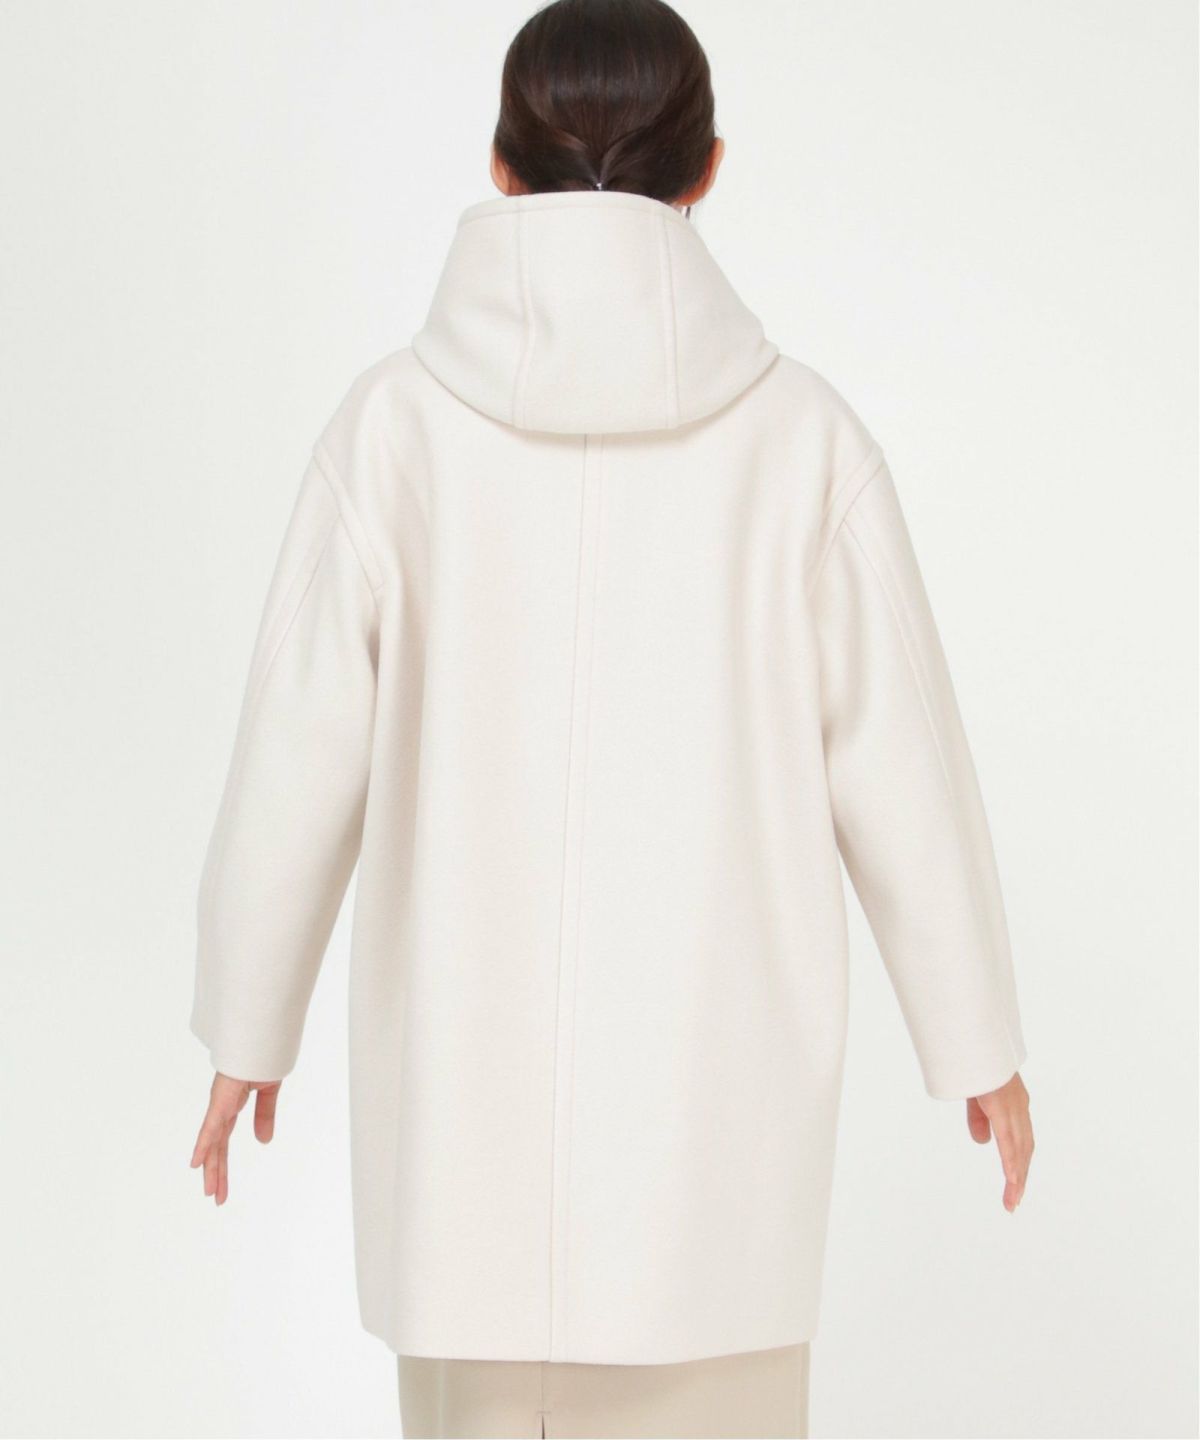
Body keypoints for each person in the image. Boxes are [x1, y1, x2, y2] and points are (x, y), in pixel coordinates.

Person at [188, 1, 1035, 1435]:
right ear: (706, 169)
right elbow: (904, 761)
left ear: (499, 167)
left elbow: (295, 752)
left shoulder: (392, 432)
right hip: (714, 1164)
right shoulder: (802, 442)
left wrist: (246, 1026)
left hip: (465, 1169)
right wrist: (978, 1038)